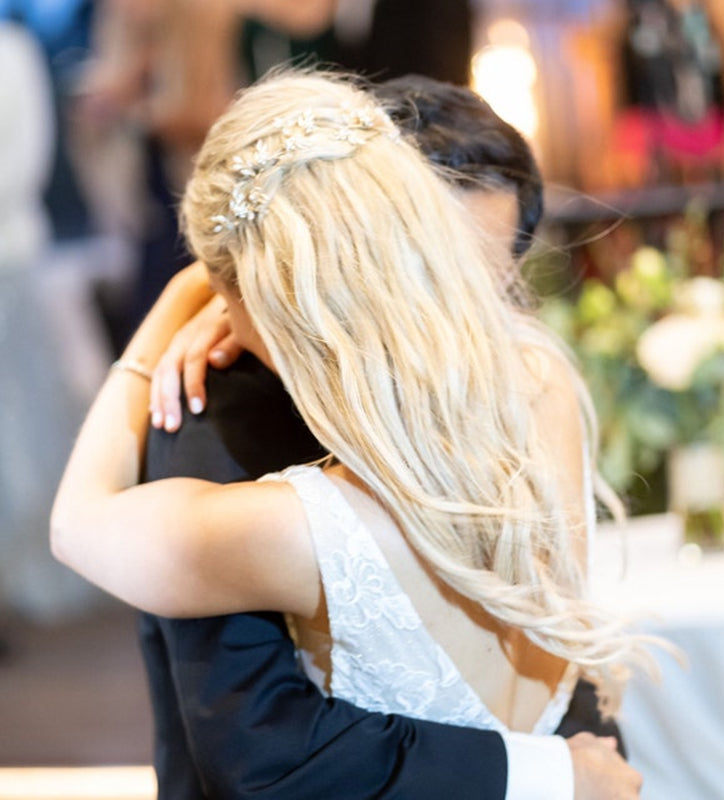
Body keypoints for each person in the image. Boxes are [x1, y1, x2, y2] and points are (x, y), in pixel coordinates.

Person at [52, 69, 651, 798]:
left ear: (254, 292)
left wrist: (174, 305)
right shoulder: (543, 378)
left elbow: (75, 524)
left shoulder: (296, 528)